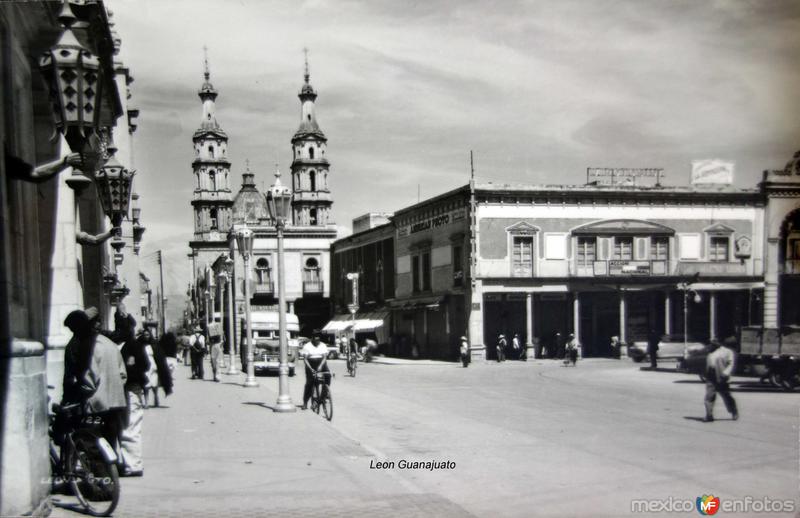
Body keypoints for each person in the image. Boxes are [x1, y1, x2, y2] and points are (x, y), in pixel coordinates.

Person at [62, 308, 128, 458]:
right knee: (110, 442)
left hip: (97, 404)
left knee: (93, 445)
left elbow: (89, 381)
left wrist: (76, 395)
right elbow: (123, 375)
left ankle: (100, 477)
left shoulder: (86, 346)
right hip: (116, 402)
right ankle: (112, 475)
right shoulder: (109, 343)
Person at [120, 325, 151, 476]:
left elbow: (144, 365)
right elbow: (145, 365)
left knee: (129, 426)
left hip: (129, 389)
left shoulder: (130, 345)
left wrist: (130, 369)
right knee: (130, 426)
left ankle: (132, 465)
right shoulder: (129, 345)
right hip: (130, 389)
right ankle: (131, 463)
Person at [704, 337, 739, 422]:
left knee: (726, 395)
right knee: (709, 395)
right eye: (712, 342)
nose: (713, 343)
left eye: (715, 342)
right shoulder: (710, 351)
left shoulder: (727, 352)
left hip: (721, 375)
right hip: (710, 375)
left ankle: (734, 411)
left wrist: (726, 373)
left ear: (720, 343)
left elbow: (731, 363)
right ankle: (709, 415)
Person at [300, 332, 331, 410]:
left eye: (319, 340)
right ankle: (305, 402)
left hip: (321, 363)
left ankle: (324, 394)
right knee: (310, 383)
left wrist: (320, 366)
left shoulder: (323, 345)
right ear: (312, 339)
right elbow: (305, 359)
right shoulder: (307, 346)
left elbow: (324, 358)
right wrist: (311, 369)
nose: (317, 342)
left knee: (328, 375)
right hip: (310, 363)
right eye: (316, 340)